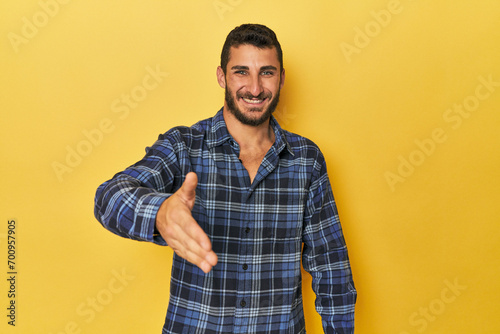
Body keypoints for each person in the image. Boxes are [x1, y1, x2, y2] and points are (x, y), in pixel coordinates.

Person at [94, 23, 356, 334]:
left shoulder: (306, 160)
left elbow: (331, 267)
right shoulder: (184, 145)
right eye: (241, 72)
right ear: (222, 76)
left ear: (282, 78)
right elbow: (108, 196)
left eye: (267, 72)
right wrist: (159, 213)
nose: (255, 88)